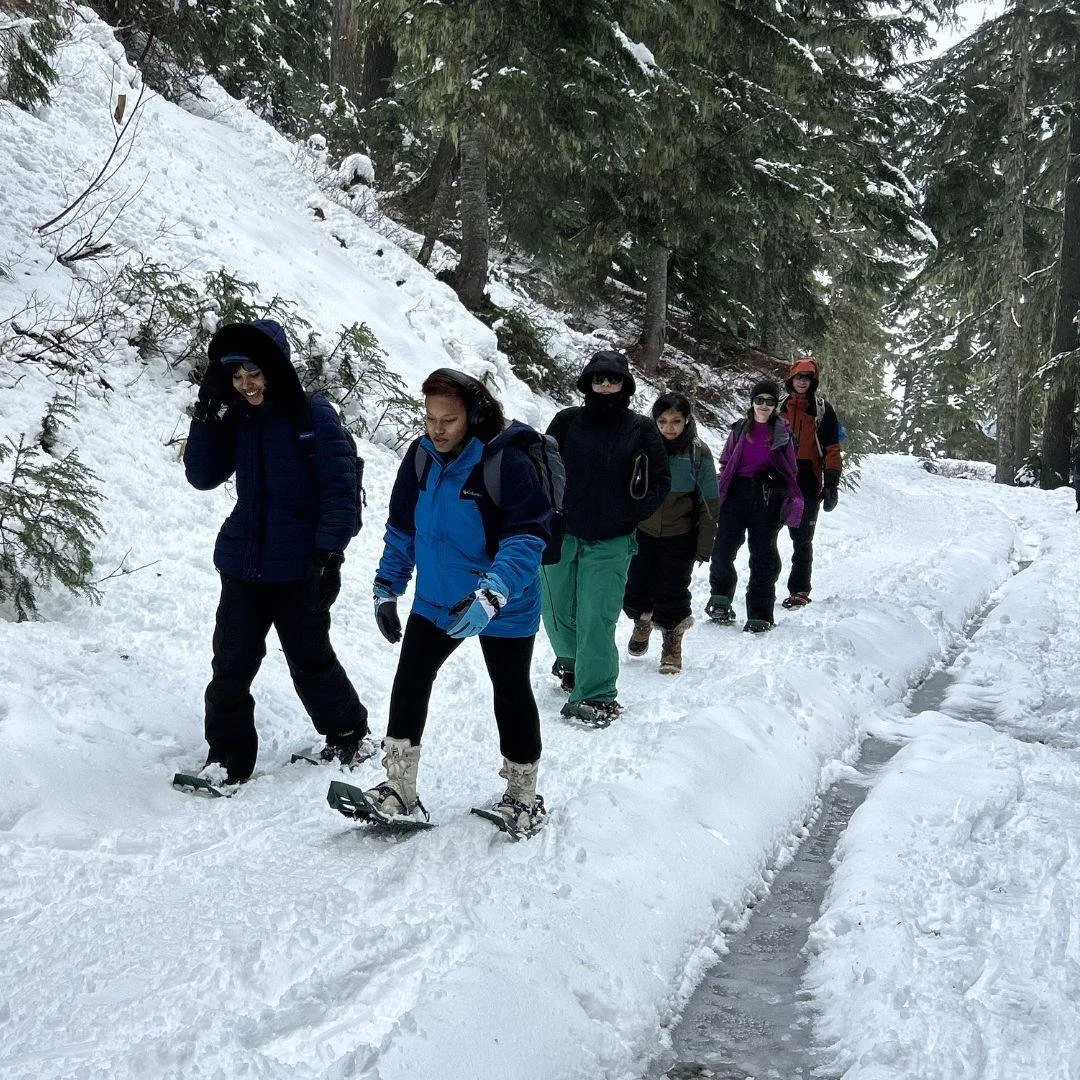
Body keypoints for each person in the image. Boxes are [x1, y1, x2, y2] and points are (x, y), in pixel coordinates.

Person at [183, 318, 368, 784]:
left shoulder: (313, 415)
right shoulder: (238, 419)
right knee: (230, 664)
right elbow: (203, 476)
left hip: (300, 565)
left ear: (276, 368)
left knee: (309, 658)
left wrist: (328, 555)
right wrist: (205, 416)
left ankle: (347, 732)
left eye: (254, 374)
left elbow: (340, 490)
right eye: (237, 377)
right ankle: (227, 758)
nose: (246, 385)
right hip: (244, 561)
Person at [368, 369, 552, 833]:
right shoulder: (421, 457)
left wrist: (492, 594)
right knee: (410, 679)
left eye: (448, 419)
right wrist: (387, 586)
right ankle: (398, 789)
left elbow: (527, 538)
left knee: (509, 689)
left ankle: (523, 794)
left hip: (504, 601)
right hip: (437, 596)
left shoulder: (503, 462)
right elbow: (402, 528)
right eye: (430, 418)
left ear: (472, 415)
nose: (437, 429)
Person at [542, 350, 670, 725]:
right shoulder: (566, 421)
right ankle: (572, 663)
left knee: (597, 614)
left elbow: (660, 479)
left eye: (613, 379)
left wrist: (634, 511)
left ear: (625, 384)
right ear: (588, 383)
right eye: (599, 379)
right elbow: (543, 466)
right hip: (563, 531)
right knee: (556, 609)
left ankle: (596, 694)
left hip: (612, 539)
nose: (606, 386)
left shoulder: (640, 429)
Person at [623, 392, 719, 674]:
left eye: (676, 421)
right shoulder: (643, 448)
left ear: (687, 420)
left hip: (680, 535)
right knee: (635, 586)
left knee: (672, 590)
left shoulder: (698, 453)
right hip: (642, 531)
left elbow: (709, 502)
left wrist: (705, 544)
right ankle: (642, 621)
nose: (669, 427)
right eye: (662, 421)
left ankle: (671, 642)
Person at [706, 379, 803, 633]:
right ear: (752, 402)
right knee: (723, 549)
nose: (764, 405)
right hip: (736, 493)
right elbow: (726, 461)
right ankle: (720, 599)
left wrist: (774, 480)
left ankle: (760, 612)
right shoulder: (739, 428)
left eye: (769, 401)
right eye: (759, 400)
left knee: (762, 556)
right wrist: (722, 486)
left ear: (775, 405)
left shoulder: (782, 433)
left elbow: (790, 470)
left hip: (766, 497)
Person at [778, 356, 844, 607]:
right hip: (778, 480)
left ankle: (799, 590)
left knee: (802, 540)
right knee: (765, 538)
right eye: (798, 377)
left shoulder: (822, 410)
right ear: (791, 379)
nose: (802, 382)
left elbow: (832, 448)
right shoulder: (779, 407)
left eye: (807, 378)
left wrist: (831, 483)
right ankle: (762, 585)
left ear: (813, 381)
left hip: (808, 482)